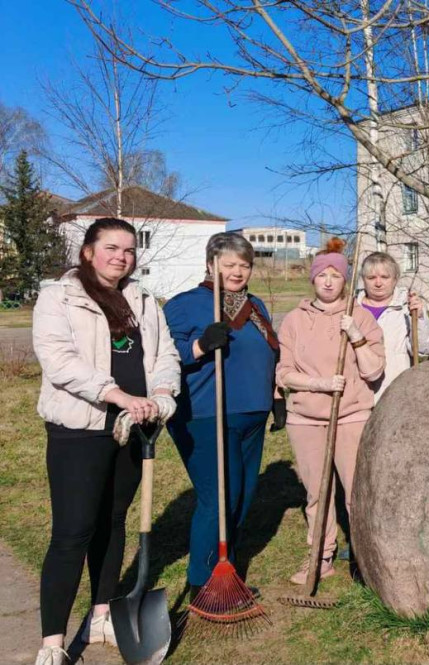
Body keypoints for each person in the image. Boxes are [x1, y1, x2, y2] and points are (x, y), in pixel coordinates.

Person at [32, 218, 180, 665]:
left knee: (114, 522)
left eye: (130, 250)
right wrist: (115, 394)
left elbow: (165, 353)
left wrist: (161, 394)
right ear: (88, 251)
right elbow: (59, 360)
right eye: (112, 247)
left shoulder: (142, 299)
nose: (122, 256)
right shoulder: (59, 296)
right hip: (80, 430)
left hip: (132, 428)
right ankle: (53, 644)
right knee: (73, 532)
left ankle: (100, 615)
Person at [163, 232, 284, 598]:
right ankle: (203, 583)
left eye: (244, 265)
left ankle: (227, 572)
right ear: (210, 264)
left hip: (252, 414)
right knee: (220, 498)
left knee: (243, 497)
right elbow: (163, 356)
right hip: (206, 415)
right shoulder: (186, 304)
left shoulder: (256, 305)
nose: (236, 272)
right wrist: (200, 346)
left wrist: (276, 397)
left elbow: (269, 352)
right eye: (229, 264)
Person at [277, 239, 385, 582]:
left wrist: (355, 336)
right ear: (312, 279)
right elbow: (283, 374)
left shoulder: (361, 317)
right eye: (321, 275)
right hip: (306, 418)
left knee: (356, 492)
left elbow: (373, 372)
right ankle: (319, 556)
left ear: (344, 280)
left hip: (351, 415)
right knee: (317, 492)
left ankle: (366, 559)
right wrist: (321, 384)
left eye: (335, 275)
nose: (327, 281)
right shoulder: (294, 320)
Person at [357, 251, 429, 399]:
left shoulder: (407, 307)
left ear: (395, 279)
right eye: (371, 277)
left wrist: (419, 318)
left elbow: (424, 350)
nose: (378, 283)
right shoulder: (352, 309)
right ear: (363, 279)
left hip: (396, 390)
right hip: (358, 393)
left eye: (385, 277)